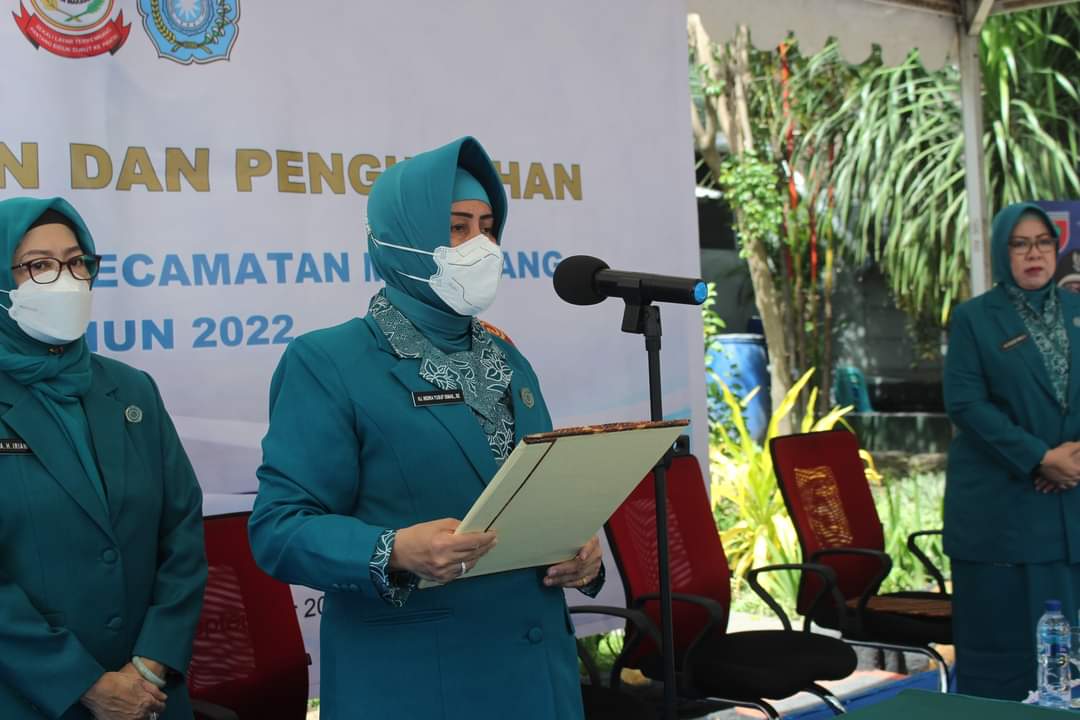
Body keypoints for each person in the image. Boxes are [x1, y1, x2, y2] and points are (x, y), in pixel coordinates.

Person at [248, 136, 604, 719]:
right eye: (457, 228)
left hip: (538, 677)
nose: (480, 246)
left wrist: (580, 552)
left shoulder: (506, 358)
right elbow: (279, 529)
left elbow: (532, 493)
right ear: (401, 239)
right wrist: (393, 550)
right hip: (417, 684)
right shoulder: (329, 361)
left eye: (488, 228)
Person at [0, 197, 207, 719]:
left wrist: (151, 665)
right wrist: (84, 683)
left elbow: (181, 532)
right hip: (28, 699)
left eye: (77, 262)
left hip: (151, 697)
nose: (66, 281)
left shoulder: (132, 389)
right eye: (39, 266)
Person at [944, 201, 1080, 700]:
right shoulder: (975, 319)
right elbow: (965, 404)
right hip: (1000, 515)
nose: (1033, 254)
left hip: (1070, 505)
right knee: (1005, 660)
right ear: (1003, 252)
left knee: (1071, 660)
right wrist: (1039, 458)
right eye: (1019, 244)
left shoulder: (1077, 310)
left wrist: (1073, 458)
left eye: (1042, 242)